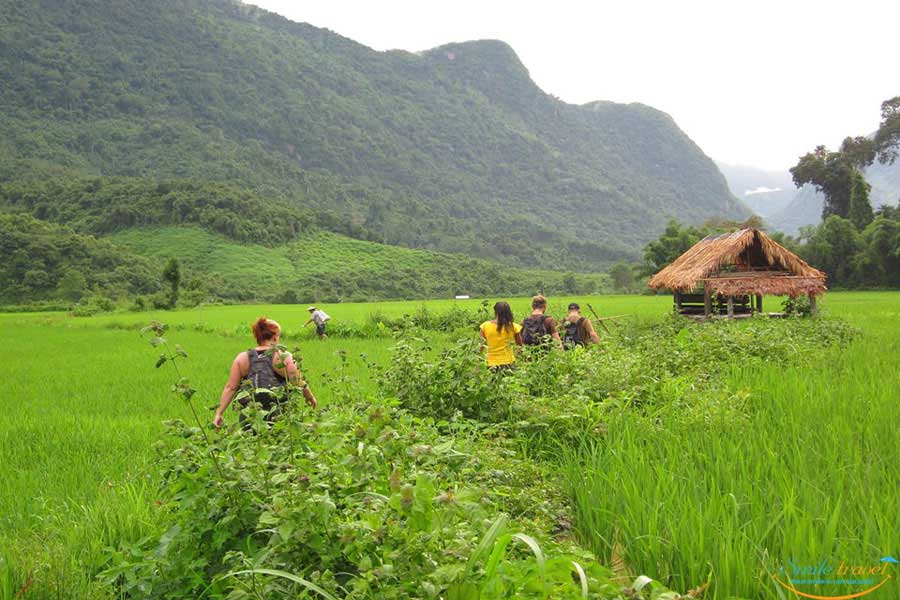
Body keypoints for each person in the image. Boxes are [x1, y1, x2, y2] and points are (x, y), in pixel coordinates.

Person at [213, 317, 317, 428]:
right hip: (279, 416)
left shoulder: (242, 358)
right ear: (275, 337)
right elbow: (298, 382)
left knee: (253, 444)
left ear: (257, 336)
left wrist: (219, 413)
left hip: (250, 417)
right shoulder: (282, 356)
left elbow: (231, 388)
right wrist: (310, 398)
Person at [479, 301, 523, 371]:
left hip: (491, 364)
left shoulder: (484, 326)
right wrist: (516, 356)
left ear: (495, 311)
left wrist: (478, 364)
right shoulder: (513, 326)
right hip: (509, 363)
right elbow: (520, 347)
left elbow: (480, 348)